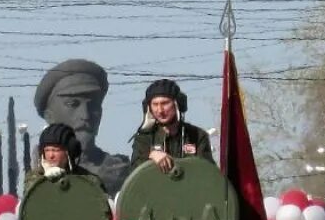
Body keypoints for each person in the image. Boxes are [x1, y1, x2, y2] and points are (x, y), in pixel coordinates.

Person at [34, 56, 128, 194]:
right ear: (50, 116)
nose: (85, 115)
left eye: (93, 105)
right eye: (73, 104)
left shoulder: (118, 171)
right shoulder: (39, 173)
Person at [128, 79, 213, 174]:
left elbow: (208, 171)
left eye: (165, 103)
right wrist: (151, 156)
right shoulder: (144, 139)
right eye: (155, 104)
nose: (160, 110)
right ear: (149, 108)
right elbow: (134, 175)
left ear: (177, 104)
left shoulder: (197, 136)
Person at [25, 122, 89, 189]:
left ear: (68, 153)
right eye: (47, 150)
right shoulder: (33, 178)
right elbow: (31, 194)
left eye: (56, 150)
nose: (51, 156)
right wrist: (45, 179)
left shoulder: (86, 178)